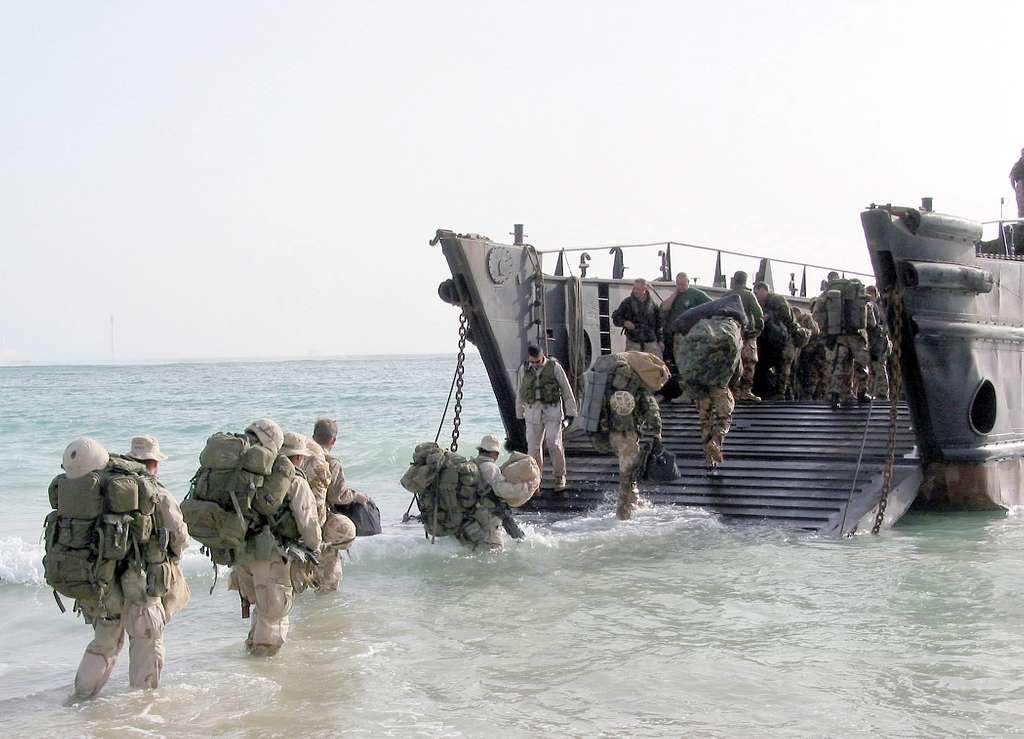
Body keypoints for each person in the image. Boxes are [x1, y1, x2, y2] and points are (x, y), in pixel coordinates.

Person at [71, 436, 190, 699]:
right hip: (140, 581)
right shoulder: (155, 490)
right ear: (154, 464)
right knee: (147, 642)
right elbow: (180, 536)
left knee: (104, 644)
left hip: (102, 579)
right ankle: (140, 709)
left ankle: (80, 698)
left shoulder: (100, 485)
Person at [228, 420, 321, 656]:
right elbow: (309, 522)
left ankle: (248, 662)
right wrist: (314, 549)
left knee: (262, 612)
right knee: (273, 621)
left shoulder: (249, 475)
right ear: (298, 458)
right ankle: (262, 679)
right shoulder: (294, 480)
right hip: (270, 557)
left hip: (240, 555)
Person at [288, 431, 356, 593]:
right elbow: (334, 497)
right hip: (314, 527)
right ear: (333, 440)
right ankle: (324, 606)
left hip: (287, 529)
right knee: (329, 582)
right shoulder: (327, 463)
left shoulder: (286, 460)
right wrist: (355, 496)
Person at [515, 345, 578, 491]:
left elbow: (566, 390)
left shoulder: (554, 367)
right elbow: (519, 393)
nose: (535, 364)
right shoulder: (524, 369)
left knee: (554, 444)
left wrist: (571, 413)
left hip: (552, 411)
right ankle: (535, 481)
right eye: (533, 362)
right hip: (532, 413)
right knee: (533, 449)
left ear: (542, 357)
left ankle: (559, 478)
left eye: (537, 361)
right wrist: (519, 415)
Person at [813, 276, 874, 408]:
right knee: (861, 365)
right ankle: (862, 393)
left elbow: (817, 314)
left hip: (839, 335)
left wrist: (827, 329)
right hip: (857, 336)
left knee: (839, 364)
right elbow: (871, 322)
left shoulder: (829, 293)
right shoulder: (858, 294)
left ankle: (835, 395)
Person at [604, 386, 662, 521]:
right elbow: (650, 407)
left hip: (611, 433)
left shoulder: (607, 376)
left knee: (629, 469)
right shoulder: (635, 380)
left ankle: (634, 500)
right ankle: (623, 512)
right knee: (628, 472)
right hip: (628, 434)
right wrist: (657, 430)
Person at [472, 435, 540, 549]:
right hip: (488, 516)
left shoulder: (473, 464)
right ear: (494, 453)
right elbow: (503, 490)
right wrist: (525, 487)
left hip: (473, 513)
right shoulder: (490, 468)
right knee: (496, 550)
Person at [753, 281, 810, 401]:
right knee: (780, 366)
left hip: (787, 337)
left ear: (764, 290)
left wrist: (769, 316)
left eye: (757, 292)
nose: (756, 295)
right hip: (775, 340)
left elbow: (786, 317)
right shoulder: (763, 302)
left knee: (784, 365)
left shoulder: (776, 299)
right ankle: (785, 394)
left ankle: (782, 394)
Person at [727, 271, 764, 402]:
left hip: (731, 334)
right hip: (747, 335)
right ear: (745, 281)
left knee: (734, 363)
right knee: (749, 362)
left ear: (734, 280)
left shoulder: (727, 295)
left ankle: (734, 392)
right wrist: (758, 329)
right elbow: (757, 313)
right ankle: (746, 392)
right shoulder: (748, 295)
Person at [611, 278, 663, 353]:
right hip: (633, 342)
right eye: (634, 288)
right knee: (632, 364)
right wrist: (624, 322)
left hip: (650, 342)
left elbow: (659, 325)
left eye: (638, 289)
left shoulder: (653, 305)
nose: (635, 291)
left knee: (655, 363)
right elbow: (616, 317)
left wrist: (660, 340)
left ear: (645, 289)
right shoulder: (627, 303)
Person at [864, 285, 891, 400]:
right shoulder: (870, 306)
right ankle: (874, 392)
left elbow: (879, 324)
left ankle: (882, 394)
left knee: (879, 367)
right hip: (872, 341)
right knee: (872, 368)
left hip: (879, 341)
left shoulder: (879, 307)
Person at [790, 305, 820, 400]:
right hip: (801, 352)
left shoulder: (806, 317)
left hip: (811, 350)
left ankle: (809, 395)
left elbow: (815, 331)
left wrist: (805, 335)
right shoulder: (795, 322)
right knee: (800, 373)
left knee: (810, 373)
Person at [1010, 147, 1024, 218]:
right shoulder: (1017, 165)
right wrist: (1015, 189)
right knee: (1021, 208)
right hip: (1021, 186)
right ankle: (1021, 223)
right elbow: (1012, 178)